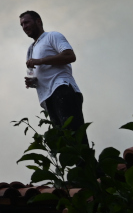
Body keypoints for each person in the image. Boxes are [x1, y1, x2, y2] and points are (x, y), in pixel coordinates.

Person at [20, 10, 86, 142]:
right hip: (47, 98)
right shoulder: (30, 49)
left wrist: (40, 61)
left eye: (26, 22)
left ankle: (88, 163)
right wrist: (32, 82)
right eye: (21, 25)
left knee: (76, 139)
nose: (24, 27)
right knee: (66, 143)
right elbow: (35, 74)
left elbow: (70, 56)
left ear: (38, 21)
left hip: (62, 89)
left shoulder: (52, 36)